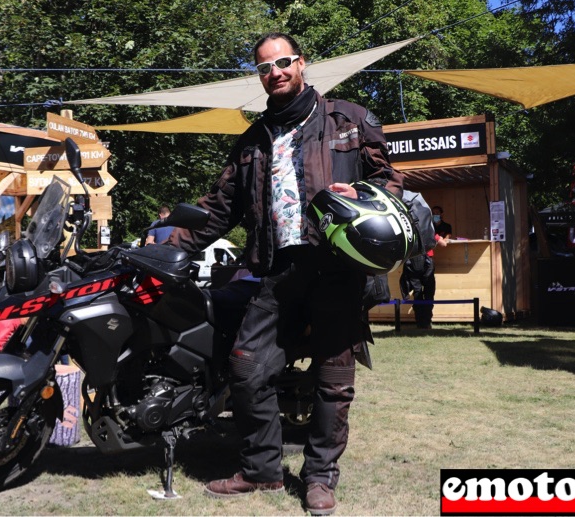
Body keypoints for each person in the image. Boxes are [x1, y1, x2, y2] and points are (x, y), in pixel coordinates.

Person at [167, 32, 403, 515]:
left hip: (337, 268)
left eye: (284, 62)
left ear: (302, 63)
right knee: (246, 369)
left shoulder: (348, 119)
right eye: (265, 67)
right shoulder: (253, 140)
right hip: (275, 271)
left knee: (334, 380)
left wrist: (364, 194)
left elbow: (390, 180)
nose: (275, 72)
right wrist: (166, 248)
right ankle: (262, 472)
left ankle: (320, 478)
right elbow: (219, 208)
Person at [400, 206, 450, 329]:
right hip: (427, 262)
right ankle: (426, 321)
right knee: (428, 291)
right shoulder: (429, 229)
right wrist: (442, 239)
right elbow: (443, 244)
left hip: (412, 263)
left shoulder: (407, 228)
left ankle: (419, 321)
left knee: (417, 292)